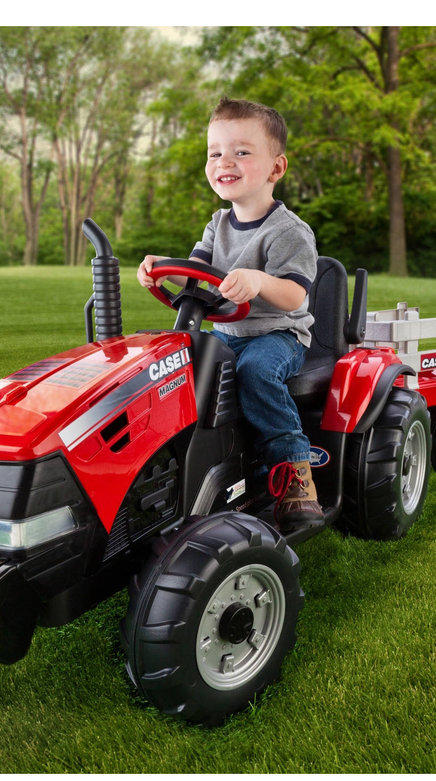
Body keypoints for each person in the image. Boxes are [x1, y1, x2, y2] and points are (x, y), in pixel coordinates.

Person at [138, 97, 323, 529]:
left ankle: (296, 476)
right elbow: (193, 280)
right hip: (224, 330)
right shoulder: (216, 225)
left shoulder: (289, 231)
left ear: (276, 169)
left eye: (241, 151)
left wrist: (258, 281)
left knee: (255, 372)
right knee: (169, 364)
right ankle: (177, 469)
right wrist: (158, 275)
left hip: (276, 335)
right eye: (215, 152)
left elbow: (296, 296)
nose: (226, 161)